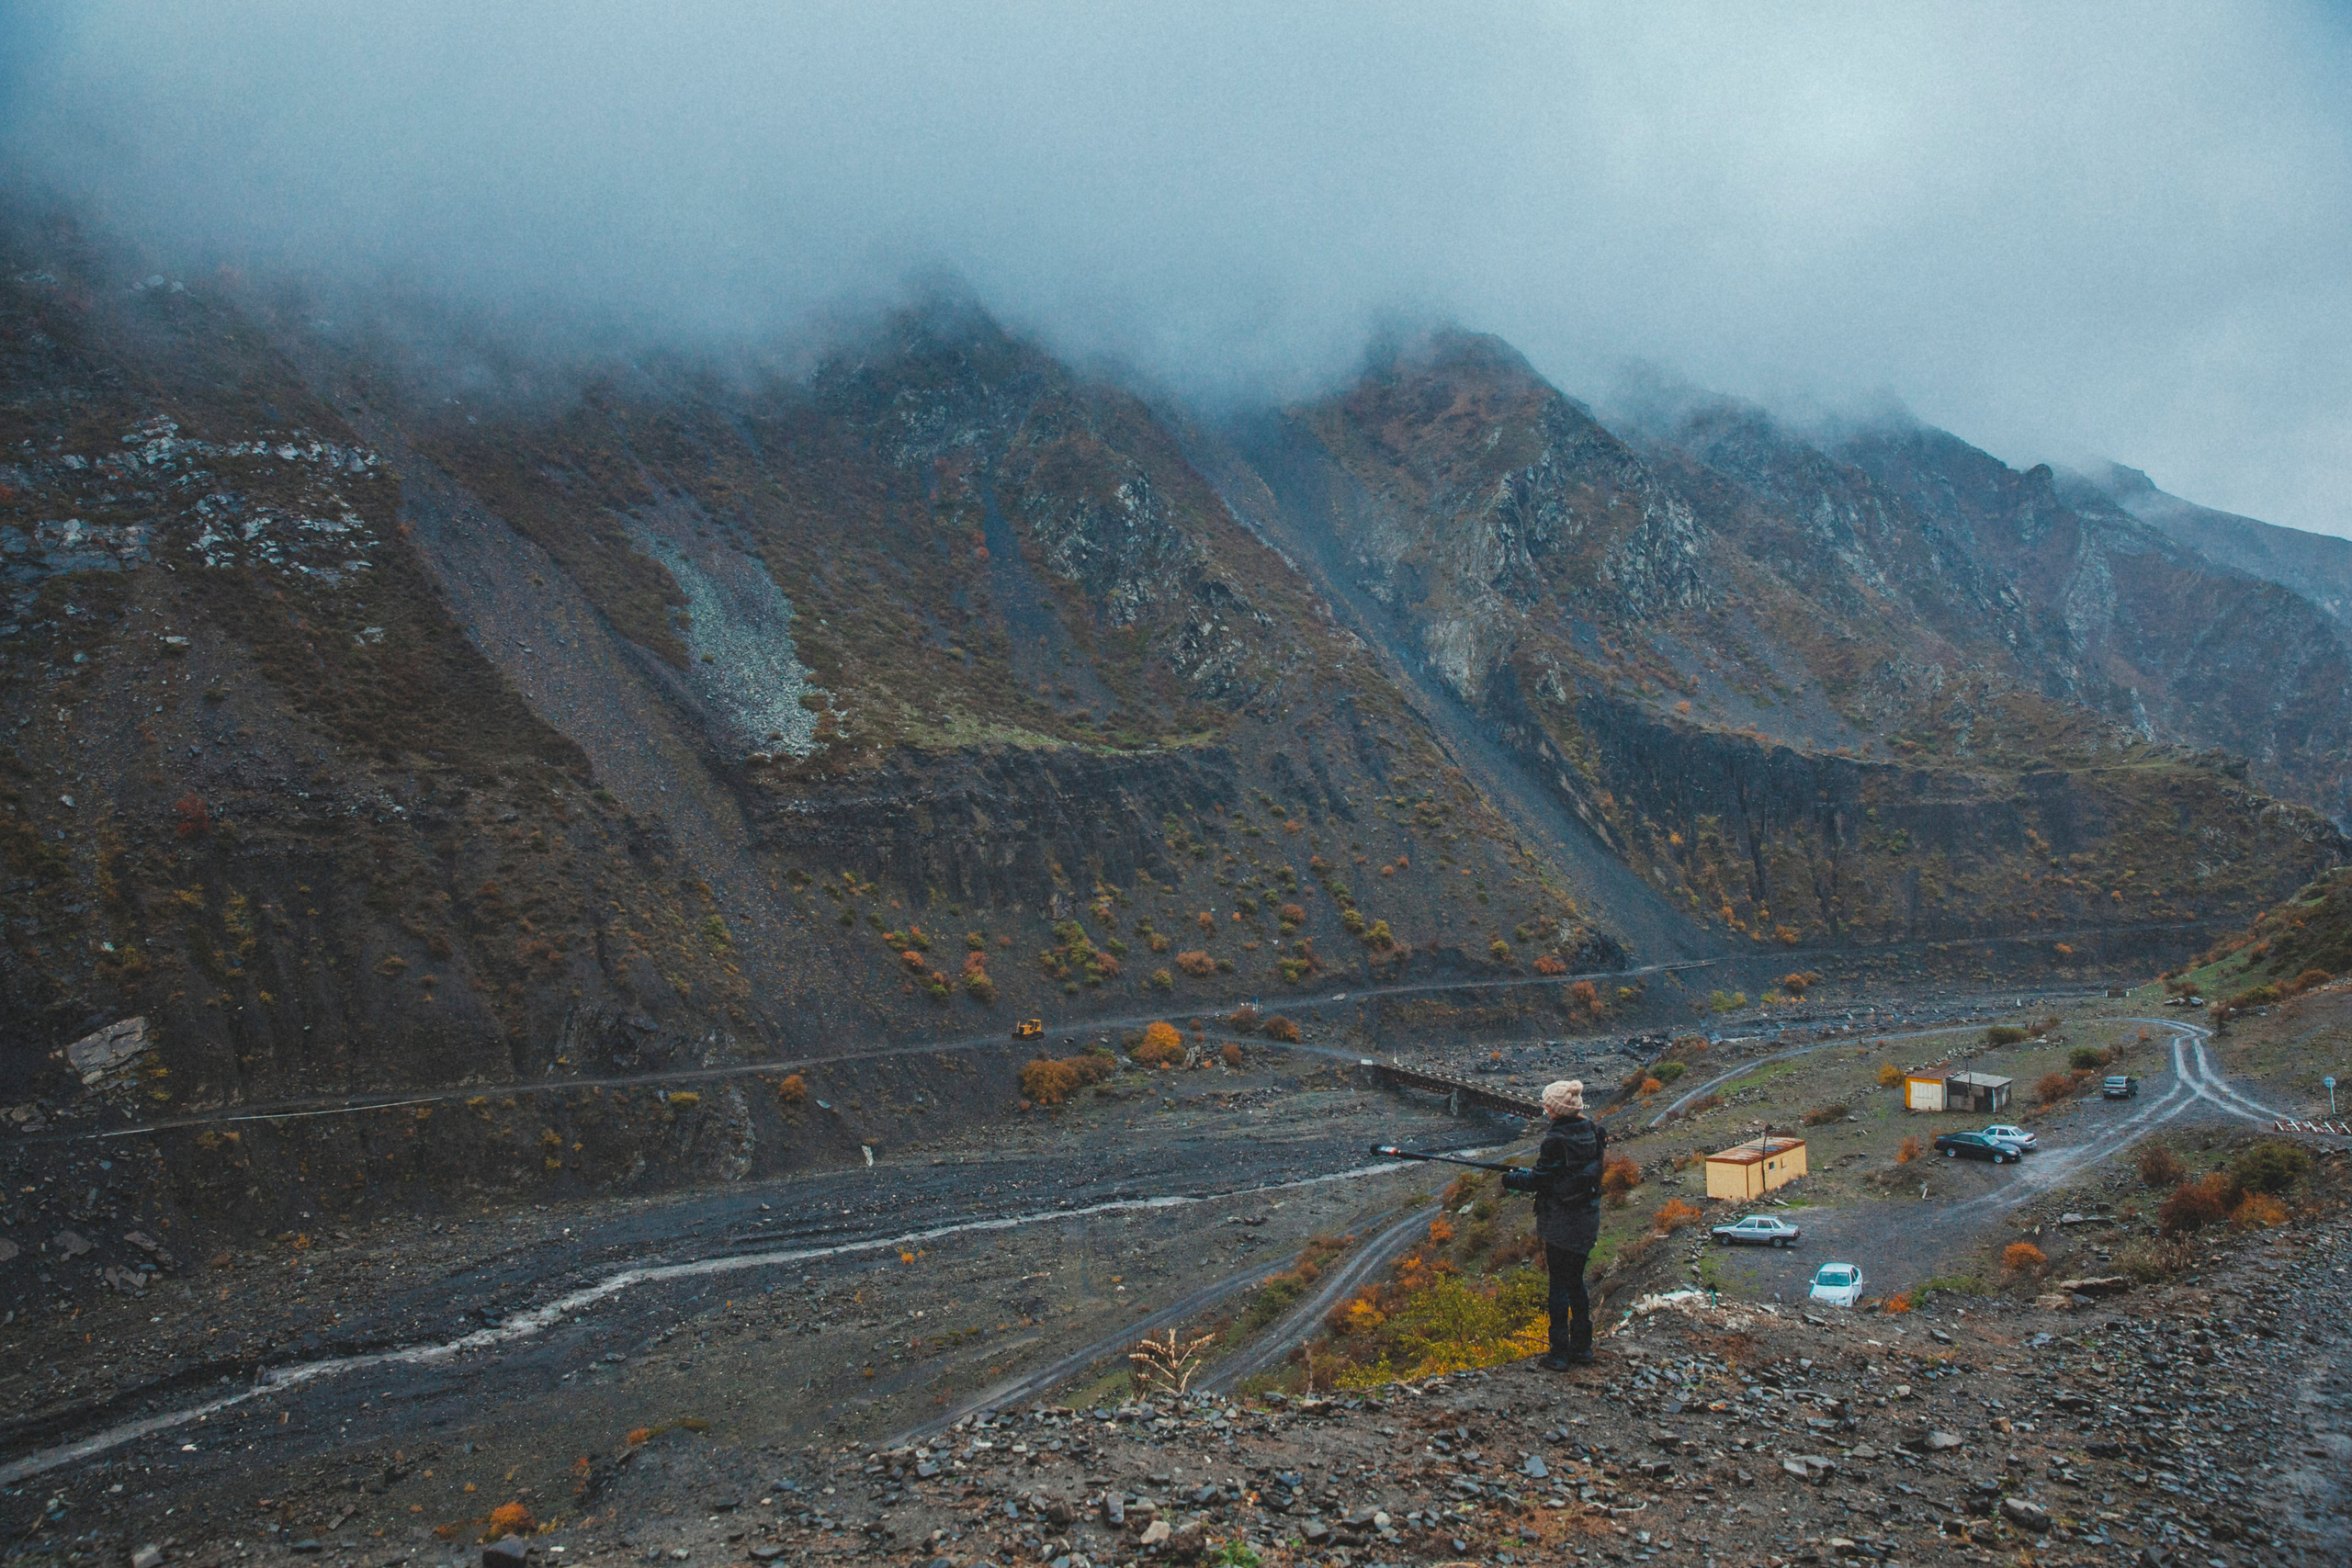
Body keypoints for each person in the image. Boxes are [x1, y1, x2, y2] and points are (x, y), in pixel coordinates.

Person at [1503, 1078, 1605, 1369]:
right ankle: (1583, 1349)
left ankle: (1559, 1353)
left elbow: (1541, 1180)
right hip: (1587, 1219)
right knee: (1576, 1284)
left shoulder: (1555, 1140)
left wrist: (1512, 1178)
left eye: (1548, 1104)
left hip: (1562, 1223)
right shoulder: (1592, 1131)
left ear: (1558, 1110)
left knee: (1558, 1287)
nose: (1545, 1107)